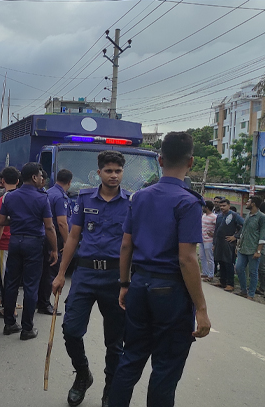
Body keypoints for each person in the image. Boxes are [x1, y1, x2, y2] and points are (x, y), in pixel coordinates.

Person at [108, 132, 211, 407]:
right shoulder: (188, 202)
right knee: (165, 367)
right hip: (171, 292)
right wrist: (201, 308)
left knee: (130, 359)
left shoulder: (139, 198)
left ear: (160, 159)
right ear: (190, 162)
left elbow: (126, 246)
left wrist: (124, 283)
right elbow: (187, 259)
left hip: (139, 286)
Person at [51, 152, 129, 407]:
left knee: (115, 341)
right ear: (99, 173)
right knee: (71, 330)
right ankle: (83, 375)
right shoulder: (85, 198)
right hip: (85, 275)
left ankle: (110, 388)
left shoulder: (131, 202)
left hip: (115, 277)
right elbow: (73, 237)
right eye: (109, 170)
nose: (114, 175)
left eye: (118, 170)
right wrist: (61, 274)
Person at [0, 162, 57, 340]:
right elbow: (49, 227)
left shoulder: (10, 197)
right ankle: (27, 328)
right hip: (34, 243)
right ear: (34, 177)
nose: (41, 179)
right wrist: (54, 249)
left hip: (15, 241)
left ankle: (9, 324)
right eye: (40, 176)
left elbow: (0, 221)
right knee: (31, 286)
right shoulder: (42, 198)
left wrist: (16, 221)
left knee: (11, 283)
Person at [39, 169, 72, 315]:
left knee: (44, 270)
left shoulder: (49, 192)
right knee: (51, 271)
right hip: (55, 237)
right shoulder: (60, 197)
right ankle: (45, 304)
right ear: (69, 182)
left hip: (44, 236)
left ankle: (39, 301)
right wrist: (67, 242)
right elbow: (62, 223)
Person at [0, 166, 20, 315]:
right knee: (14, 276)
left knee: (4, 277)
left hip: (5, 242)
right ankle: (12, 304)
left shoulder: (4, 198)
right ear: (18, 181)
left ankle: (9, 308)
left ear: (2, 181)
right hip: (18, 241)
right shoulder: (22, 197)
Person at [235, 196, 265, 299]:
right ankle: (243, 290)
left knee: (253, 272)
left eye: (248, 202)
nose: (246, 203)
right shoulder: (248, 215)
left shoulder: (262, 217)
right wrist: (238, 245)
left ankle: (251, 294)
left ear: (253, 204)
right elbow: (244, 231)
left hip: (254, 249)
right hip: (243, 248)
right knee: (239, 268)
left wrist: (259, 250)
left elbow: (264, 234)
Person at [213, 199, 243, 292]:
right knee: (220, 262)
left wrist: (235, 236)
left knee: (228, 263)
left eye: (224, 206)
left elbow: (244, 226)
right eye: (221, 206)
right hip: (219, 242)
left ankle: (230, 284)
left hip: (228, 243)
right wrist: (214, 243)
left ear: (229, 206)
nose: (222, 207)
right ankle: (222, 281)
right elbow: (216, 230)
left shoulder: (234, 215)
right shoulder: (219, 216)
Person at [200, 201, 217, 282]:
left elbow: (218, 227)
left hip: (209, 240)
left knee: (209, 257)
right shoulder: (203, 216)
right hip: (202, 239)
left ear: (207, 207)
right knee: (202, 257)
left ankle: (211, 274)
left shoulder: (214, 217)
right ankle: (205, 272)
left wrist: (213, 234)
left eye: (204, 207)